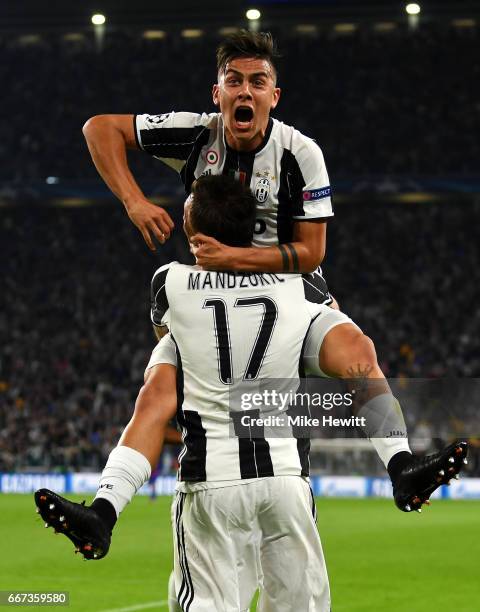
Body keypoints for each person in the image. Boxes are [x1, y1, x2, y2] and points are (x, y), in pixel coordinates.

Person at [35, 176, 468, 612]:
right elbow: (341, 330)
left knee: (162, 385)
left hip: (211, 483)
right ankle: (399, 461)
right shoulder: (300, 280)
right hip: (284, 482)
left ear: (191, 227)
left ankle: (106, 510)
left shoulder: (169, 281)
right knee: (356, 349)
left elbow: (169, 340)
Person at [82, 30, 332, 276]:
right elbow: (100, 128)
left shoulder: (301, 153)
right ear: (216, 93)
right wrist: (133, 200)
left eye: (257, 82)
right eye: (234, 81)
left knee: (342, 320)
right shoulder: (195, 134)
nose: (245, 91)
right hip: (211, 283)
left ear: (274, 97)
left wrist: (231, 258)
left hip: (287, 283)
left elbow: (311, 253)